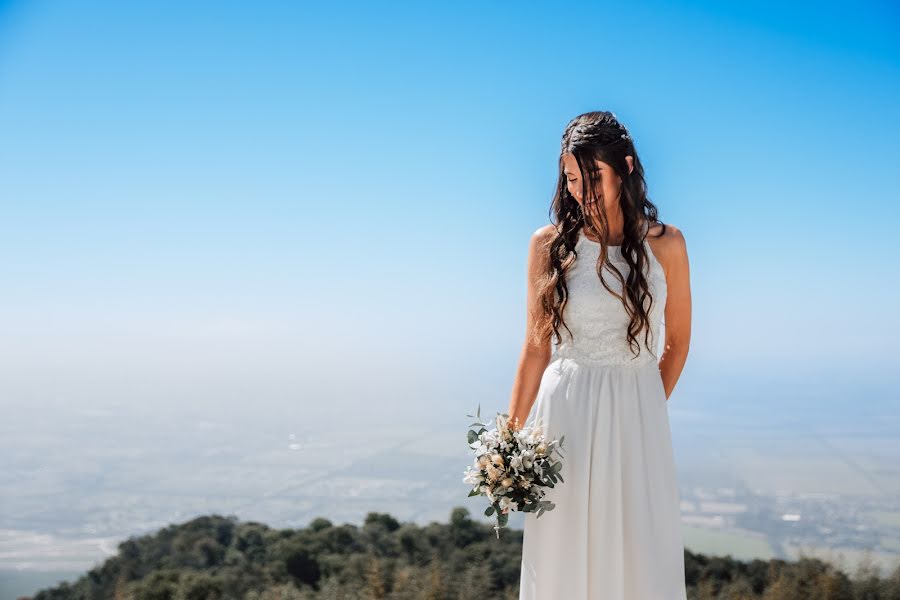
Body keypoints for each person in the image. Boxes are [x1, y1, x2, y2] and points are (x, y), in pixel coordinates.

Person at [508, 110, 691, 599]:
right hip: (563, 414)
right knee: (561, 554)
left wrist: (643, 406)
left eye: (593, 177)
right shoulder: (547, 245)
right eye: (571, 178)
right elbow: (533, 349)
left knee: (638, 550)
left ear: (625, 168)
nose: (580, 190)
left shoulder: (668, 243)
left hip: (636, 411)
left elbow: (676, 345)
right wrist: (508, 443)